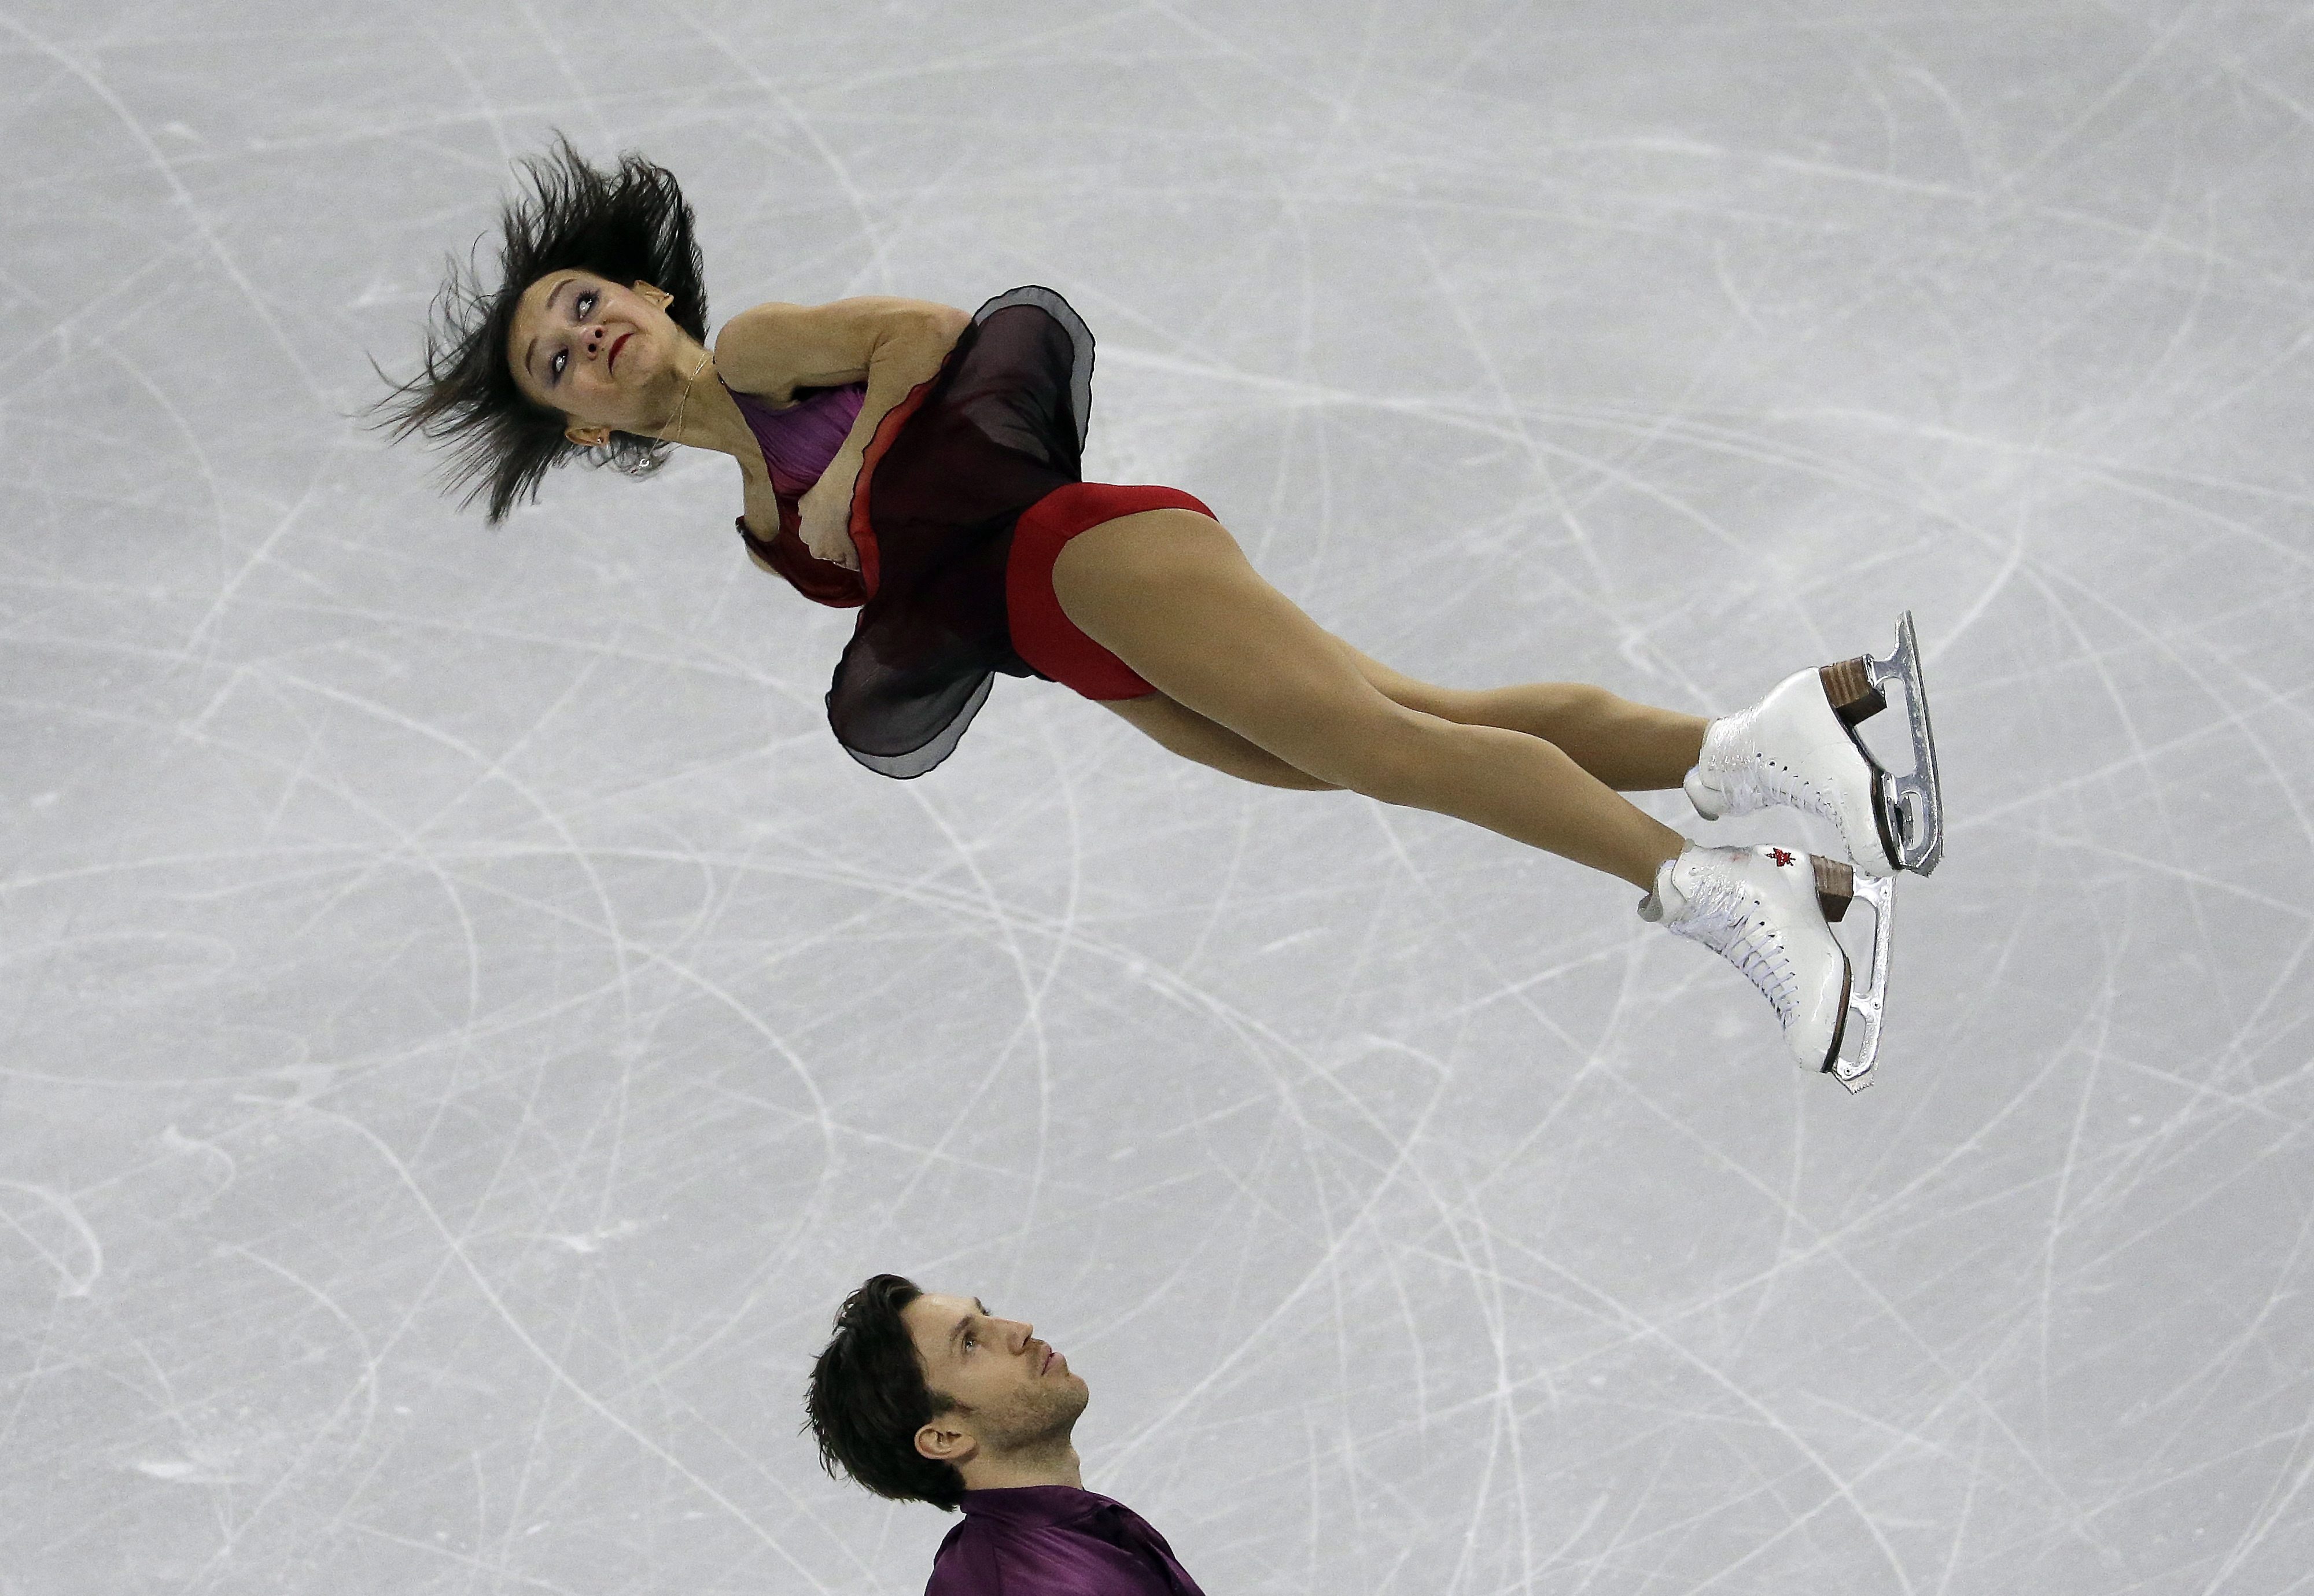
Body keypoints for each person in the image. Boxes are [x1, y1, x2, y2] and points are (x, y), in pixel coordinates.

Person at [377, 140, 1945, 1087]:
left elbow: (939, 333)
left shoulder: (778, 344)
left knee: (1395, 751)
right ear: (585, 428)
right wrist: (847, 512)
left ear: (648, 297)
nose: (587, 332)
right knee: (1418, 727)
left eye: (586, 301)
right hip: (1071, 648)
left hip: (1086, 555)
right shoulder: (750, 525)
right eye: (556, 356)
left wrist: (853, 452)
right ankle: (1772, 739)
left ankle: (1735, 891)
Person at [804, 1273, 1207, 1596]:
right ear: (945, 1436)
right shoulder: (1026, 1583)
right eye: (970, 1343)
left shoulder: (1072, 1530)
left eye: (987, 1315)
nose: (1020, 1330)